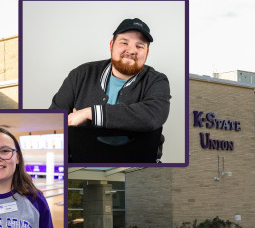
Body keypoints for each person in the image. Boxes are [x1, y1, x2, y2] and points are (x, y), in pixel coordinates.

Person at [49, 18, 170, 159]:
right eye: (124, 42)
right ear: (111, 45)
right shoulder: (81, 74)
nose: (131, 50)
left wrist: (89, 113)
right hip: (80, 163)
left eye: (139, 46)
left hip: (137, 164)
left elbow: (152, 116)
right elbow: (53, 121)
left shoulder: (156, 81)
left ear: (147, 53)